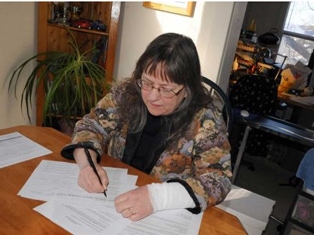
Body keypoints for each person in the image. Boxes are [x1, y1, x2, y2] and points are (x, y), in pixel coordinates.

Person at [61, 33, 232, 221]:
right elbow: (90, 125)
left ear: (187, 90)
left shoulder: (206, 119)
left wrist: (157, 197)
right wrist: (87, 165)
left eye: (166, 89)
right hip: (116, 197)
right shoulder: (128, 92)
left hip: (164, 213)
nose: (152, 96)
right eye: (147, 83)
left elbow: (218, 180)